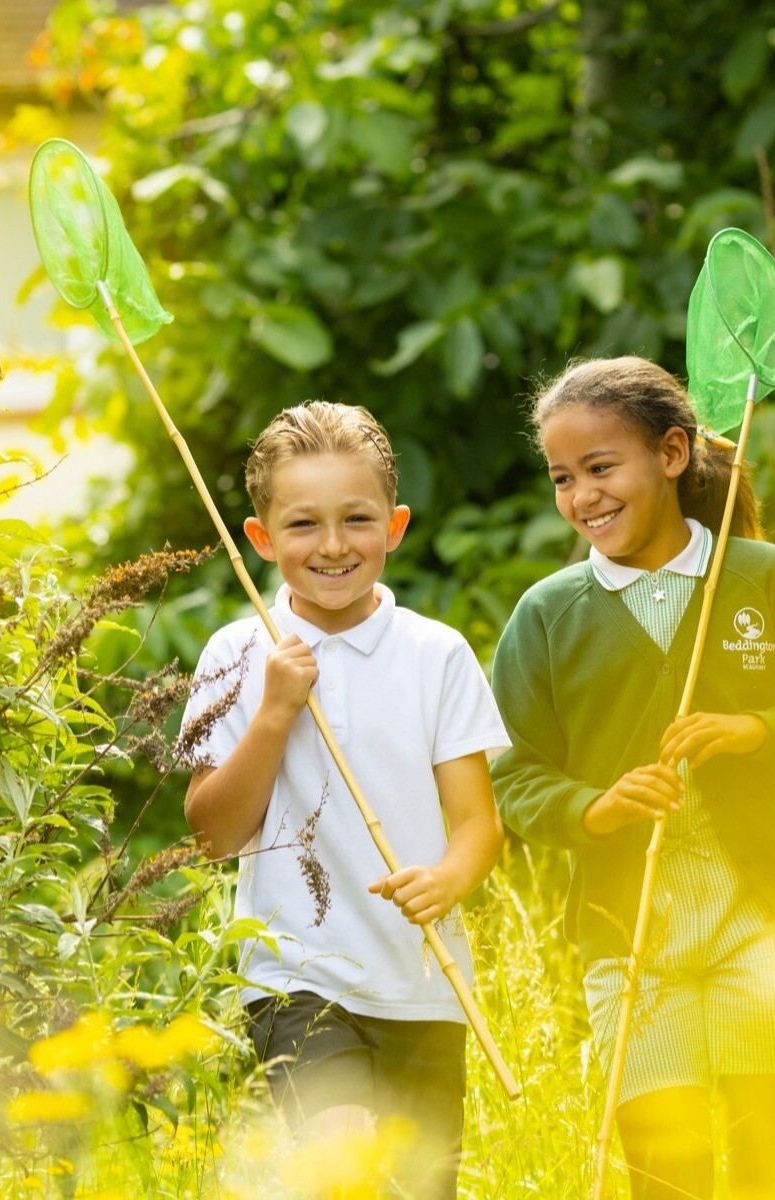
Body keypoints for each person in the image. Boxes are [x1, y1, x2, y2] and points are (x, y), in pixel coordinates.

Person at [491, 357, 775, 1199]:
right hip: (632, 942)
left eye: (600, 468)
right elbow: (512, 774)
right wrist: (595, 808)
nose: (582, 496)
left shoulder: (764, 578)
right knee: (665, 1176)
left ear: (671, 454)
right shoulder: (547, 615)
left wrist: (754, 731)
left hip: (763, 922)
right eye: (562, 478)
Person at [182, 401, 510, 1199]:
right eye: (303, 524)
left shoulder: (437, 654)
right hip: (296, 977)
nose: (332, 545)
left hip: (422, 987)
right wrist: (274, 712)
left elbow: (478, 824)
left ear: (393, 527)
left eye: (357, 519)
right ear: (261, 538)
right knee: (345, 1169)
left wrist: (449, 879)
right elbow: (212, 837)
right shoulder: (236, 652)